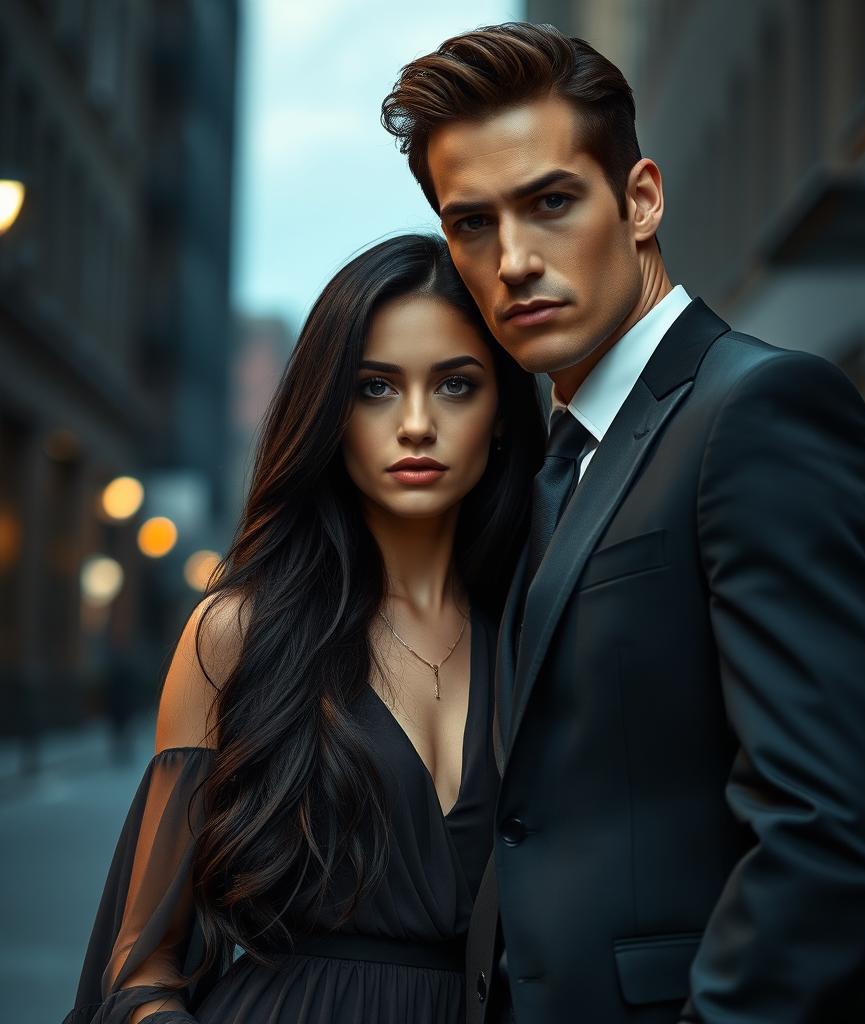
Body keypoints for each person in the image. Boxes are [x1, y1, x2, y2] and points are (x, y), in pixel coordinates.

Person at [381, 22, 865, 1024]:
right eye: (471, 224)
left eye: (549, 202)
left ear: (639, 199)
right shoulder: (551, 462)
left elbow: (832, 835)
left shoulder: (758, 412)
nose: (513, 260)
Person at [63, 233, 545, 1024]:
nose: (417, 424)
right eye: (375, 389)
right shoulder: (239, 634)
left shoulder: (533, 635)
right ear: (330, 411)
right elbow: (142, 964)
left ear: (500, 416)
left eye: (456, 386)